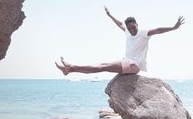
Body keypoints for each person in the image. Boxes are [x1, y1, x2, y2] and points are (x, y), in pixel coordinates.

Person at [55, 6, 185, 75]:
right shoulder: (128, 32)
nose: (132, 30)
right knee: (102, 66)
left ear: (137, 24)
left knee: (102, 66)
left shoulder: (143, 33)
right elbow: (119, 24)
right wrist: (110, 15)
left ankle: (71, 67)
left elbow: (158, 30)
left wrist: (174, 27)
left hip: (134, 65)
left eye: (134, 27)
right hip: (126, 62)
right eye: (130, 28)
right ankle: (70, 70)